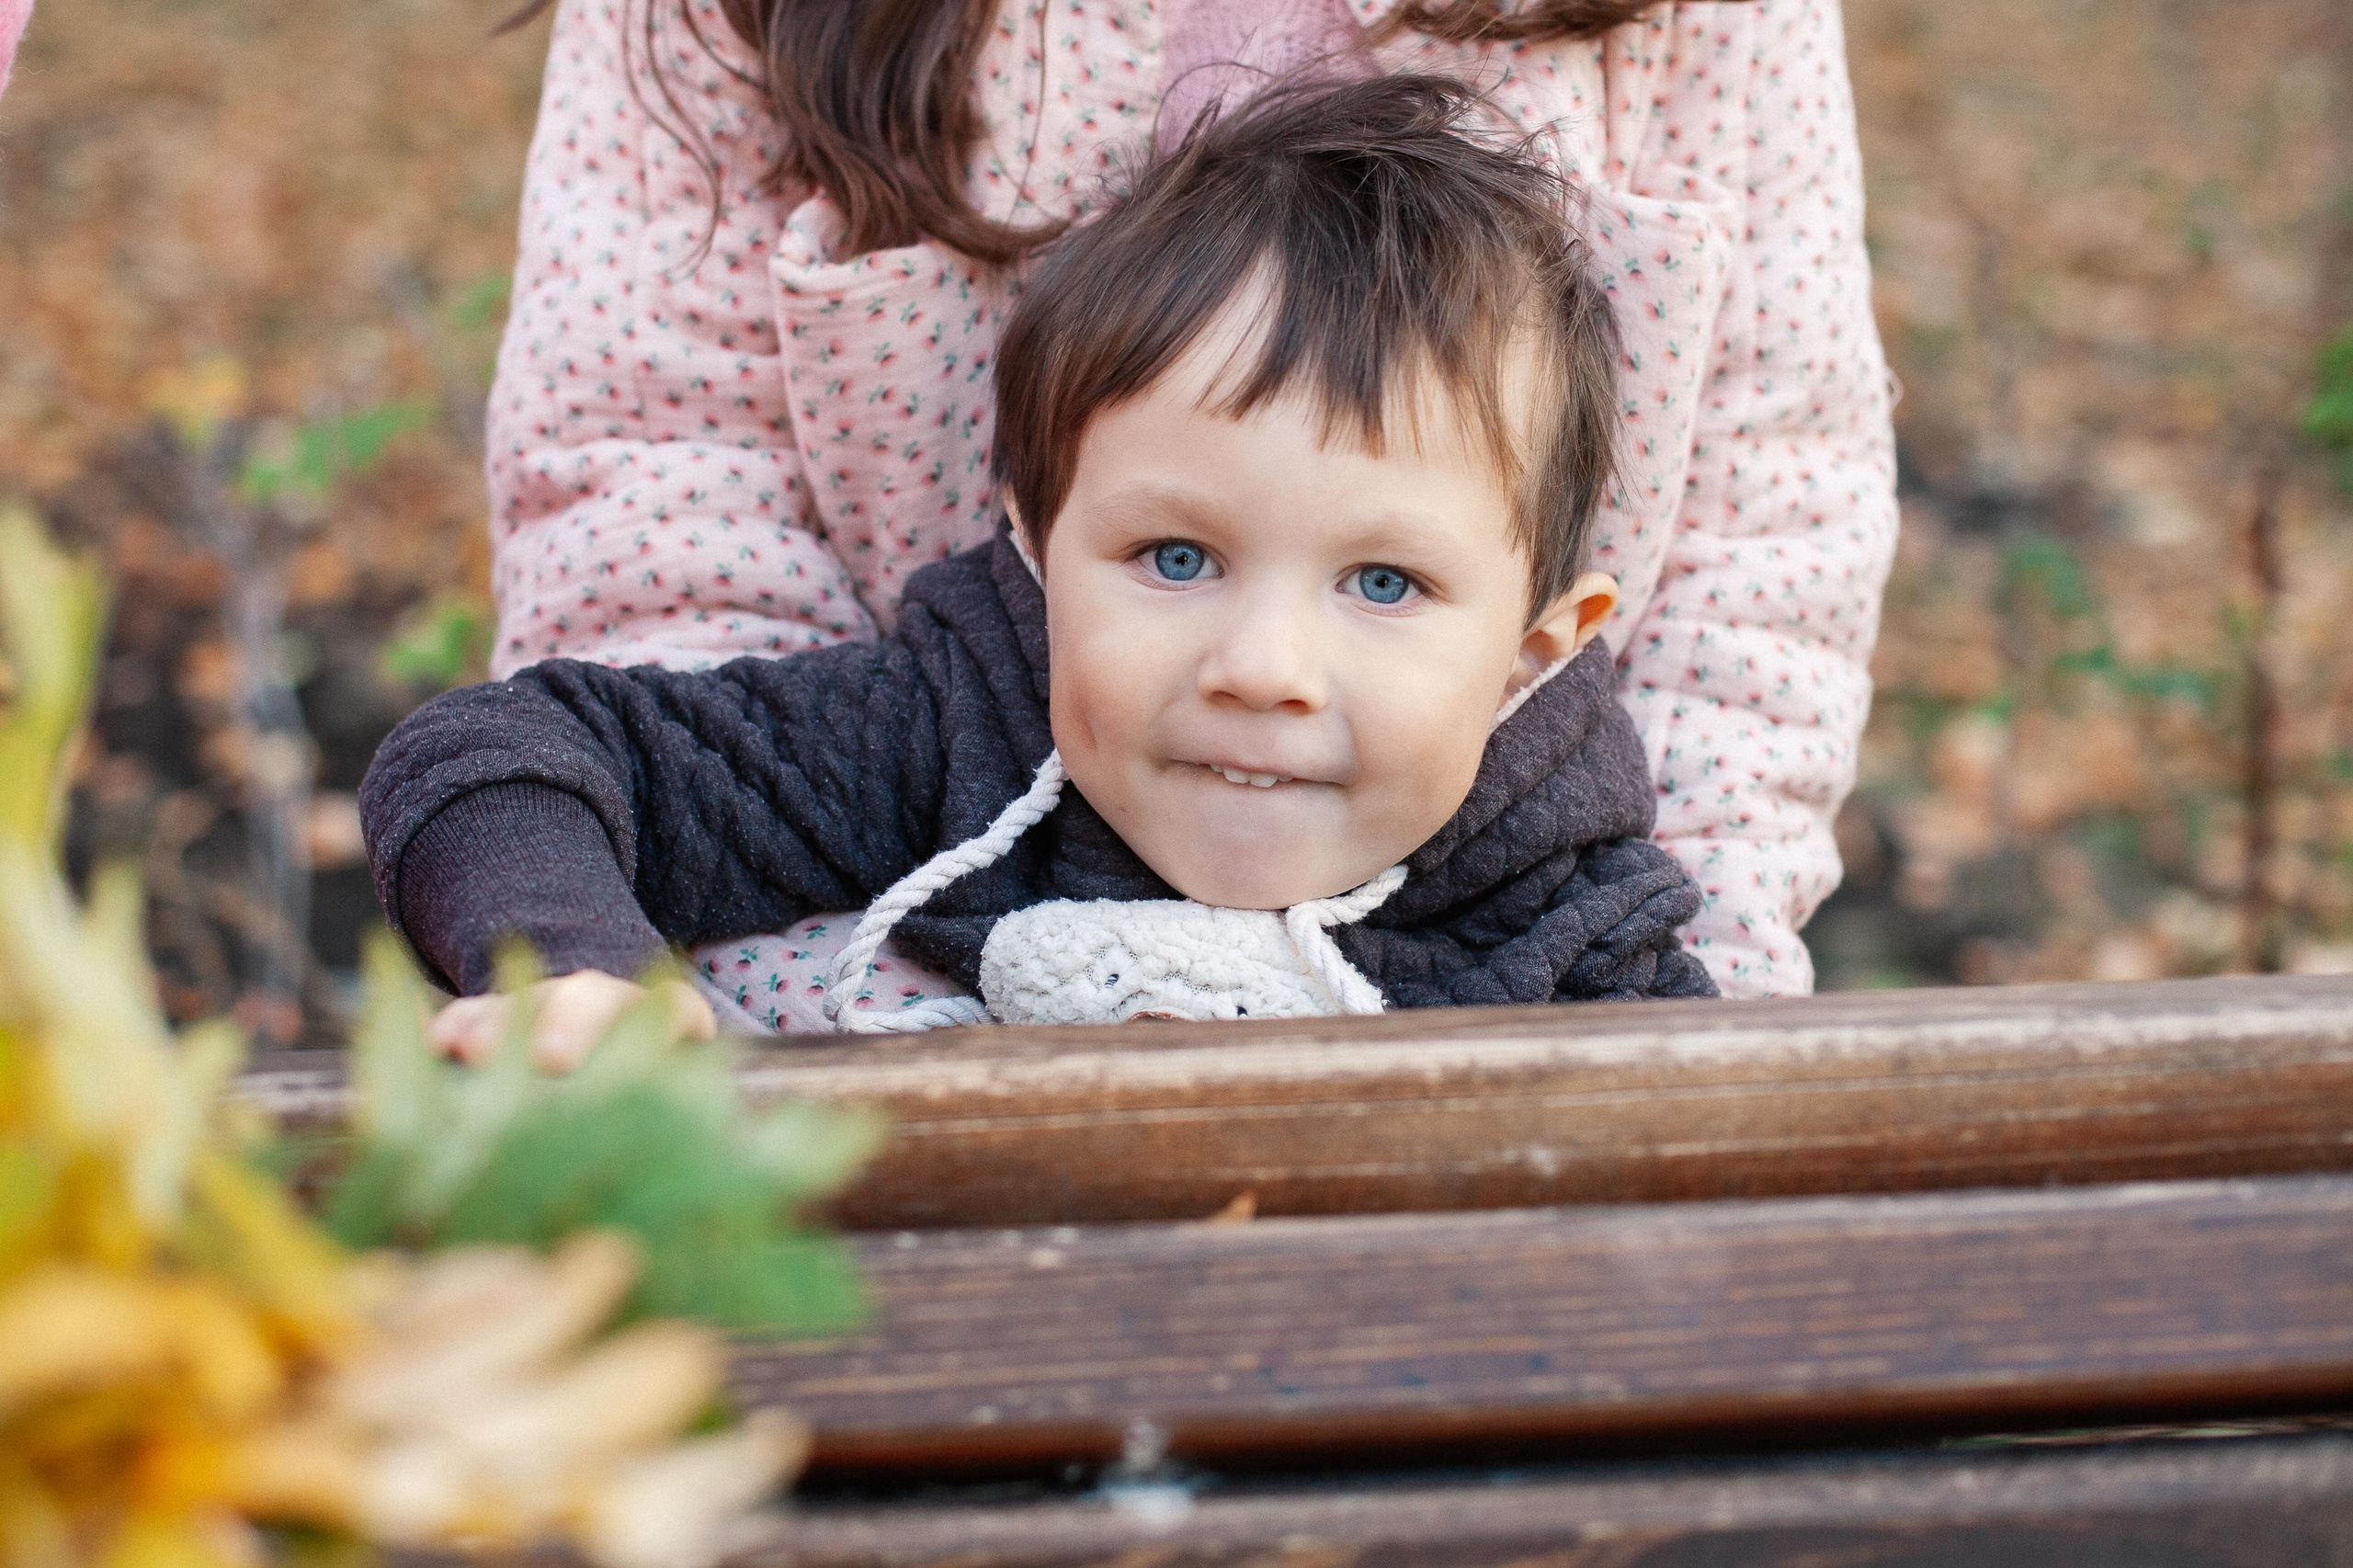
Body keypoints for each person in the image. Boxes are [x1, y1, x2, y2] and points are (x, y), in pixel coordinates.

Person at [483, 0, 1896, 1004]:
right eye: (1177, 554)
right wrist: (796, 1038)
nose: (1263, 668)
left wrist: (1721, 977)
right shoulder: (934, 732)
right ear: (1038, 538)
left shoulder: (1572, 917)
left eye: (1382, 579)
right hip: (863, 999)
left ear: (1541, 639)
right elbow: (646, 520)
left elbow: (1769, 496)